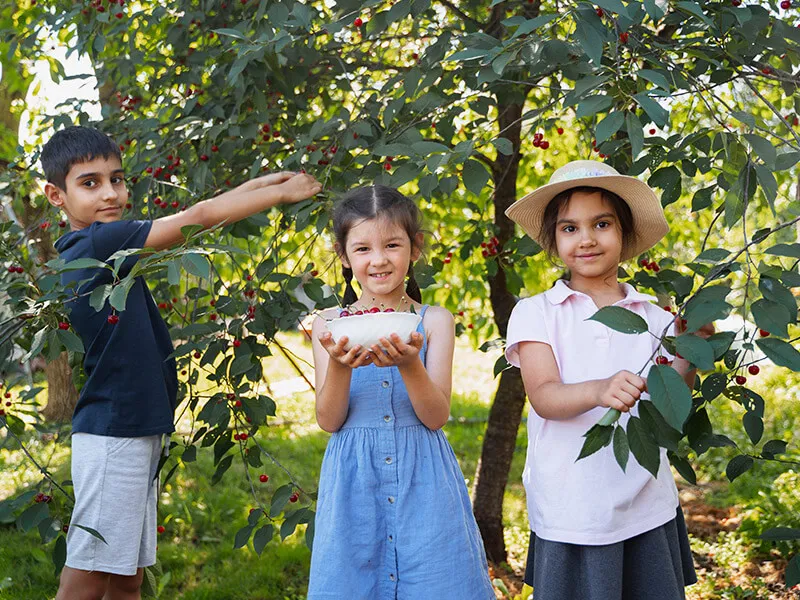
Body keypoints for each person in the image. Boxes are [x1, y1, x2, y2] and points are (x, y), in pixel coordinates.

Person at [42, 125, 322, 600]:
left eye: (117, 179)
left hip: (136, 430)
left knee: (127, 577)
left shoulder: (100, 246)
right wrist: (279, 196)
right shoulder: (98, 243)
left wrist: (266, 183)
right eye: (90, 183)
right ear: (56, 196)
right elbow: (198, 217)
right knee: (86, 579)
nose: (110, 193)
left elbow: (204, 210)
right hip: (116, 434)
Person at [504, 160, 703, 599]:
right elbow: (544, 396)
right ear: (553, 241)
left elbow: (671, 404)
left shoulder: (656, 316)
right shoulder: (537, 312)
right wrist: (599, 389)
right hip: (572, 507)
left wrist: (691, 350)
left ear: (625, 234)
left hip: (645, 501)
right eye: (569, 228)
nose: (587, 238)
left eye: (602, 224)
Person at [307, 185, 495, 599]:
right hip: (354, 486)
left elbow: (435, 416)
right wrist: (339, 365)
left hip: (424, 483)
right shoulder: (328, 325)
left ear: (415, 247)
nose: (378, 260)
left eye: (392, 245)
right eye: (362, 249)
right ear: (343, 256)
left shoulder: (435, 322)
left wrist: (410, 364)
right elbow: (328, 420)